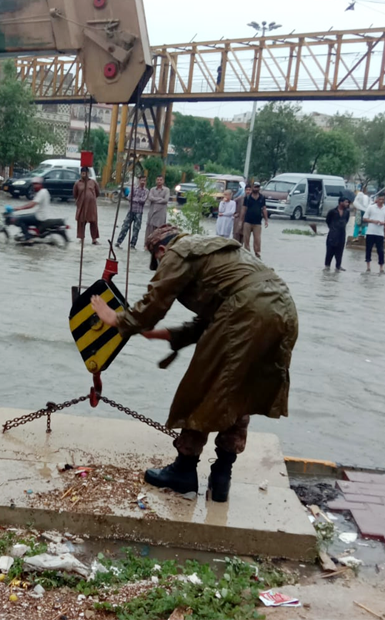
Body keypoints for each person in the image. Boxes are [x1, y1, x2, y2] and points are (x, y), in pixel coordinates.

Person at [90, 225, 298, 503]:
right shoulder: (214, 249)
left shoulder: (177, 251)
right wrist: (167, 335)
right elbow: (219, 312)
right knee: (240, 391)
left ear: (161, 250)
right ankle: (221, 478)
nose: (161, 266)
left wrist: (118, 319)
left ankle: (184, 472)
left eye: (158, 262)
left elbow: (156, 300)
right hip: (283, 310)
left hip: (247, 311)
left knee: (203, 387)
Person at [13, 176, 51, 240]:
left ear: (40, 184)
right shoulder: (43, 191)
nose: (34, 186)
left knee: (19, 219)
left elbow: (32, 205)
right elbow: (32, 202)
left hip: (40, 216)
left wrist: (19, 208)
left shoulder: (42, 193)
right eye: (33, 184)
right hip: (40, 214)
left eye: (36, 184)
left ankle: (27, 237)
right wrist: (20, 207)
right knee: (23, 217)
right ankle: (27, 232)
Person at [116, 175, 148, 250]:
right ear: (139, 180)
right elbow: (129, 198)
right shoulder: (133, 189)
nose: (143, 182)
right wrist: (137, 199)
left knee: (136, 229)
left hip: (139, 212)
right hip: (131, 211)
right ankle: (118, 242)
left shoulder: (146, 191)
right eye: (141, 180)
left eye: (144, 180)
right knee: (125, 227)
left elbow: (143, 200)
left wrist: (135, 199)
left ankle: (132, 244)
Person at [363, 192, 385, 273]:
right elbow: (364, 218)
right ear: (377, 199)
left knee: (380, 250)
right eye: (380, 199)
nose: (381, 201)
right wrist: (372, 221)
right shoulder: (371, 208)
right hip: (370, 232)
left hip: (380, 233)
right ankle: (368, 266)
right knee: (368, 249)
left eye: (383, 199)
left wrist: (383, 223)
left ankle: (381, 267)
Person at [73, 167, 100, 244]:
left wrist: (91, 198)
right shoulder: (77, 183)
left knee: (94, 222)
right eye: (82, 173)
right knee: (81, 222)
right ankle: (82, 239)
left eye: (85, 173)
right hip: (82, 206)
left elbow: (97, 193)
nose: (83, 175)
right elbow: (75, 194)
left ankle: (94, 239)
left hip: (91, 206)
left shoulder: (93, 182)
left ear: (88, 173)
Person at [242, 181, 268, 258]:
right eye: (255, 187)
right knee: (246, 238)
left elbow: (264, 209)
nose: (256, 188)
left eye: (258, 187)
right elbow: (244, 209)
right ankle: (247, 254)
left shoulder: (262, 198)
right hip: (247, 221)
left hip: (257, 222)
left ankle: (257, 254)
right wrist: (241, 221)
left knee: (257, 239)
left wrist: (266, 220)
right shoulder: (247, 198)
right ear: (252, 187)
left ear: (259, 188)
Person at [325, 194, 351, 271]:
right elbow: (327, 221)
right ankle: (327, 267)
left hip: (342, 235)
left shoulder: (347, 212)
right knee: (329, 252)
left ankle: (338, 266)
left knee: (340, 252)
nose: (347, 204)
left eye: (348, 202)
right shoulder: (332, 212)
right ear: (340, 202)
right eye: (346, 202)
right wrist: (333, 228)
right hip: (332, 235)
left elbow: (346, 221)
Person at [145, 175, 170, 243]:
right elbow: (150, 198)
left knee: (159, 229)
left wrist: (155, 200)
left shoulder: (166, 190)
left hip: (161, 213)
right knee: (150, 228)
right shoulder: (152, 189)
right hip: (152, 211)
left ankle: (157, 244)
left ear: (163, 181)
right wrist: (160, 199)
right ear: (156, 181)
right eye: (158, 180)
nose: (159, 181)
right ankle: (147, 244)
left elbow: (166, 200)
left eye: (160, 180)